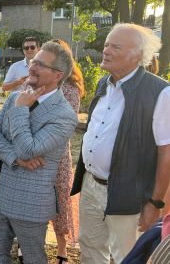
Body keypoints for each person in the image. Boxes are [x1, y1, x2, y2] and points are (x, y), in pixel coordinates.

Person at [71, 23, 170, 264]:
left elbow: (166, 152)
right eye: (106, 45)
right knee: (90, 248)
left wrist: (155, 204)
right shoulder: (104, 83)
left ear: (138, 55)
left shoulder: (160, 92)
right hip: (92, 185)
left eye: (115, 46)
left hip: (130, 195)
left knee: (127, 256)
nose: (106, 50)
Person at [0, 41, 78, 263]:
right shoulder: (17, 95)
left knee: (33, 259)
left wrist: (21, 109)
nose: (32, 66)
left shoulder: (64, 115)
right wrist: (15, 158)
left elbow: (29, 150)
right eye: (33, 61)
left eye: (40, 64)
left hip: (29, 204)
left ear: (58, 75)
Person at [50, 39, 85, 264]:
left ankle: (62, 250)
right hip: (34, 154)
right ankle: (26, 243)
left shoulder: (71, 88)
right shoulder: (38, 83)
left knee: (60, 202)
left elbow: (63, 124)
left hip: (58, 156)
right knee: (34, 200)